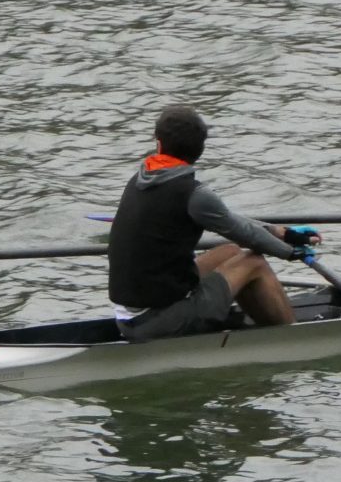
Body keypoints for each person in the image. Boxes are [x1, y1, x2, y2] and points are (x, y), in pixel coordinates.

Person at [107, 104, 319, 340]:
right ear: (200, 150)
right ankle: (297, 339)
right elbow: (244, 233)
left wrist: (280, 233)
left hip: (129, 316)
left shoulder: (139, 179)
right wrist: (290, 252)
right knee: (255, 263)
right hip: (156, 322)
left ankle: (262, 323)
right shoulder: (193, 194)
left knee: (230, 252)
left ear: (158, 144)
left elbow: (231, 221)